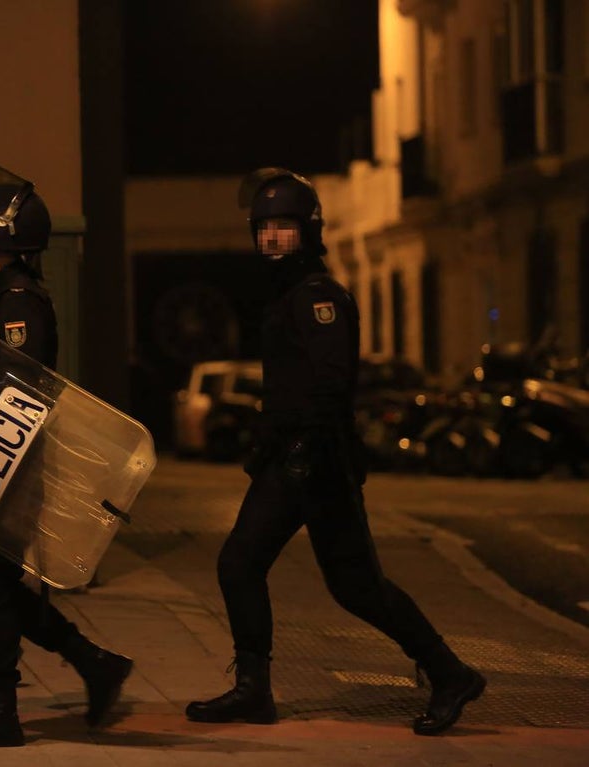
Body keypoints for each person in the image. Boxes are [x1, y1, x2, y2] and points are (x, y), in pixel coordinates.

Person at [185, 168, 486, 736]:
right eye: (263, 229)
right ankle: (448, 672)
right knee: (347, 586)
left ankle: (443, 673)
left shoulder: (318, 297)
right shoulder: (288, 296)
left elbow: (331, 381)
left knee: (252, 565)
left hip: (314, 460)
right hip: (296, 457)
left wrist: (300, 454)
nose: (271, 239)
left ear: (309, 231)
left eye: (283, 228)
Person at [0, 162, 133, 749]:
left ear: (0, 234)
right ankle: (93, 662)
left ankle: (2, 709)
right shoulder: (3, 299)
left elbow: (18, 394)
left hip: (8, 467)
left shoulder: (19, 304)